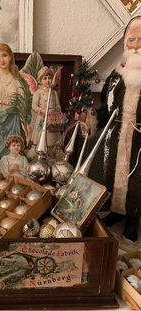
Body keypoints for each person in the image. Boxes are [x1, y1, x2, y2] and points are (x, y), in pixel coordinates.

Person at [97, 16, 141, 242]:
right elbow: (106, 102)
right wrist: (100, 123)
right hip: (115, 134)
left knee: (135, 179)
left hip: (139, 138)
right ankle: (116, 211)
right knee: (113, 174)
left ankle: (133, 219)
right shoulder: (117, 74)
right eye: (131, 40)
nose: (136, 46)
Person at [27, 66, 64, 156]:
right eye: (45, 78)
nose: (48, 80)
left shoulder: (54, 93)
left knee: (52, 137)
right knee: (40, 134)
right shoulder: (38, 92)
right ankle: (38, 151)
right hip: (42, 118)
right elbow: (34, 106)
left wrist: (57, 111)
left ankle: (51, 152)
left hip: (52, 119)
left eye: (49, 78)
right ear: (40, 80)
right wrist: (41, 110)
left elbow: (58, 105)